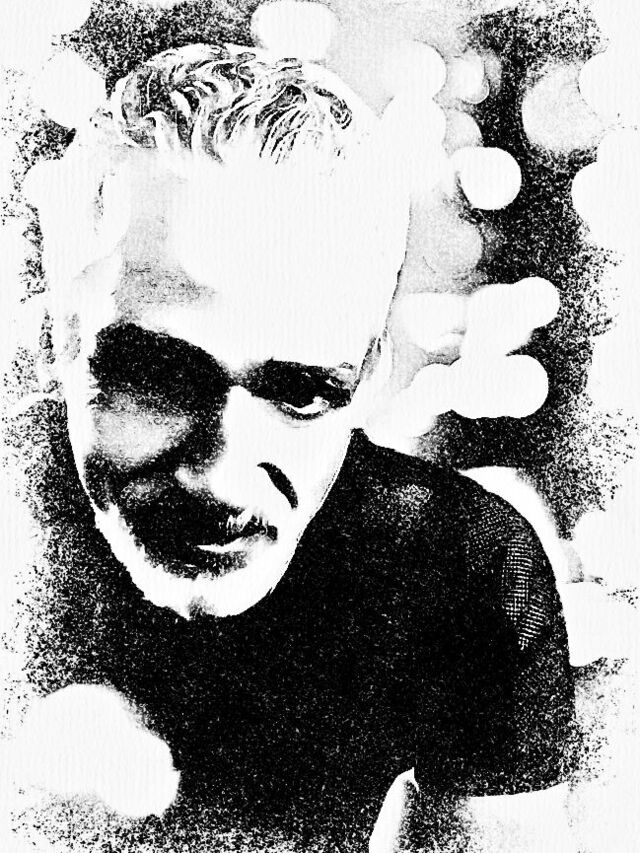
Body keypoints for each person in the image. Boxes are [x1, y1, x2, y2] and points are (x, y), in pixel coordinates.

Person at [28, 44, 575, 851]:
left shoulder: (460, 567)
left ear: (370, 377)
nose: (221, 474)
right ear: (57, 340)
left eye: (304, 392)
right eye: (159, 376)